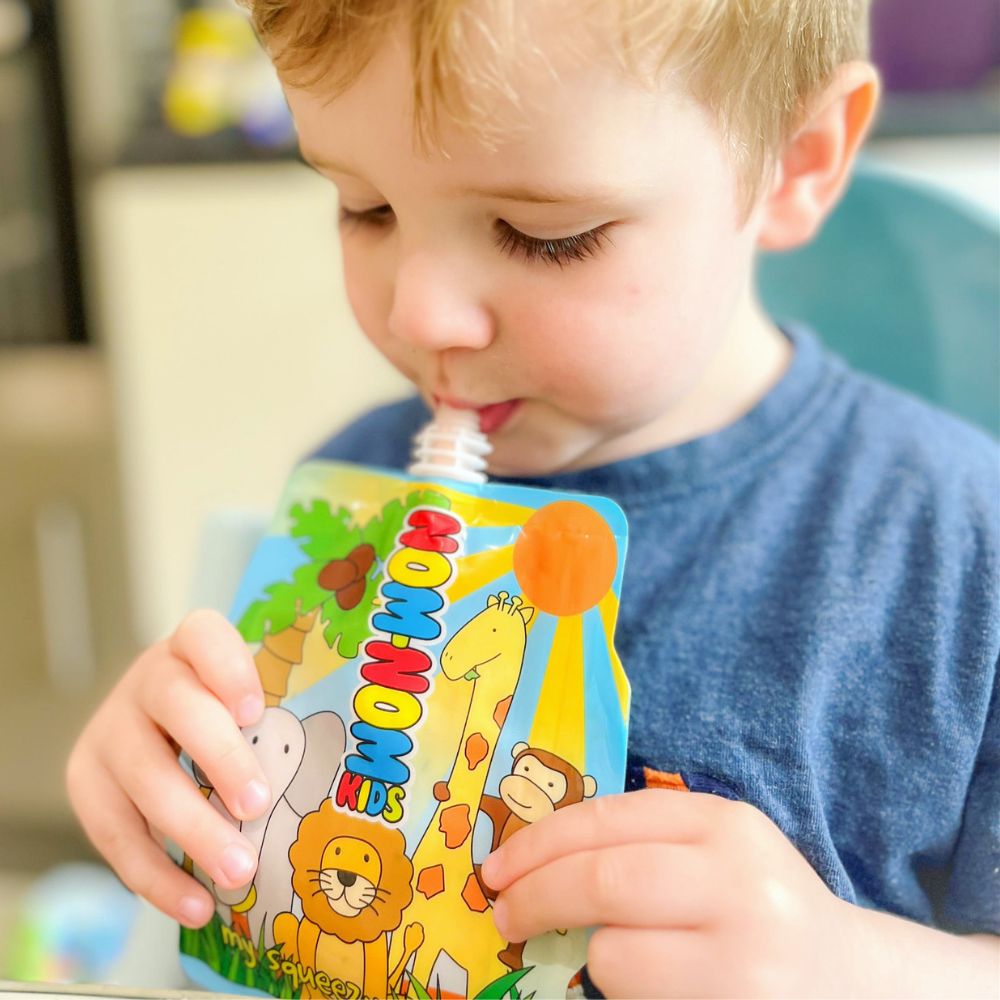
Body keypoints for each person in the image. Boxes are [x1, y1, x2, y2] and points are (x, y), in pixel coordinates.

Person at [67, 1, 999, 995]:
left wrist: (850, 966)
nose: (416, 310)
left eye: (540, 234)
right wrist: (179, 786)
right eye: (363, 207)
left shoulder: (958, 544)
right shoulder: (352, 501)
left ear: (796, 158)